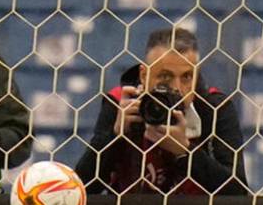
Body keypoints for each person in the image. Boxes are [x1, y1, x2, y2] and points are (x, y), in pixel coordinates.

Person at [73, 27, 248, 195]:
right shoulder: (121, 103)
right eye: (165, 77)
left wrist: (185, 152)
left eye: (187, 77)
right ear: (144, 75)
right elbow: (82, 188)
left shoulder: (214, 108)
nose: (177, 88)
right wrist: (115, 137)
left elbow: (238, 192)